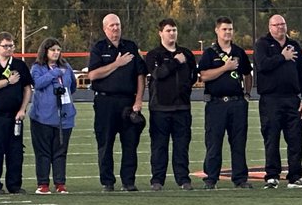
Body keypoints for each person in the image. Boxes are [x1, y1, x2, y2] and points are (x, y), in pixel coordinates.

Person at [87, 13, 147, 192]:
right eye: (112, 25)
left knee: (130, 143)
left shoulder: (130, 46)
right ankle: (107, 181)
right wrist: (117, 63)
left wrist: (138, 100)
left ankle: (128, 181)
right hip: (105, 101)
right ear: (104, 28)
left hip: (128, 102)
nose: (115, 28)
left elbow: (140, 74)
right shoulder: (98, 48)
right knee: (105, 142)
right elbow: (93, 75)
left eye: (117, 25)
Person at [254, 14, 302, 189]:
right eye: (276, 25)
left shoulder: (294, 45)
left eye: (282, 24)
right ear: (269, 27)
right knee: (271, 138)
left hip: (292, 99)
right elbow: (262, 65)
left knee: (295, 138)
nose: (280, 27)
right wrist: (282, 56)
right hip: (271, 99)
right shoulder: (262, 44)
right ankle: (272, 176)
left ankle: (295, 176)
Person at [199, 17, 254, 189]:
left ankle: (240, 178)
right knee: (214, 142)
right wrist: (225, 67)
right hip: (216, 104)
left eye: (230, 29)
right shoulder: (210, 53)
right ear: (217, 30)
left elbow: (247, 74)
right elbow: (204, 76)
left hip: (237, 103)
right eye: (224, 29)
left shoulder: (239, 52)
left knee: (239, 142)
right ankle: (211, 178)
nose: (228, 32)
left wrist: (247, 94)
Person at [144, 18, 196, 190]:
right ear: (160, 33)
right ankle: (157, 180)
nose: (172, 33)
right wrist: (175, 62)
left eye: (174, 30)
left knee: (182, 145)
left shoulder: (186, 53)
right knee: (159, 146)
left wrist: (184, 89)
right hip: (160, 108)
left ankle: (183, 179)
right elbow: (158, 74)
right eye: (168, 30)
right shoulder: (154, 55)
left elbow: (193, 76)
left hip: (182, 107)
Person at [0, 32, 32, 194]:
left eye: (11, 46)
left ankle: (14, 185)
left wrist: (22, 109)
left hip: (15, 115)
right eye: (5, 46)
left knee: (15, 151)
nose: (9, 49)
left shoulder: (20, 65)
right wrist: (7, 81)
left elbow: (27, 88)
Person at [29, 37, 77, 194]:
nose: (56, 53)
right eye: (52, 50)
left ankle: (60, 183)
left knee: (60, 151)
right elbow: (37, 83)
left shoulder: (66, 67)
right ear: (45, 51)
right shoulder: (37, 67)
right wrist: (54, 73)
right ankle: (43, 183)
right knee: (43, 152)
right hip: (42, 117)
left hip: (64, 117)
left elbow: (73, 86)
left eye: (58, 50)